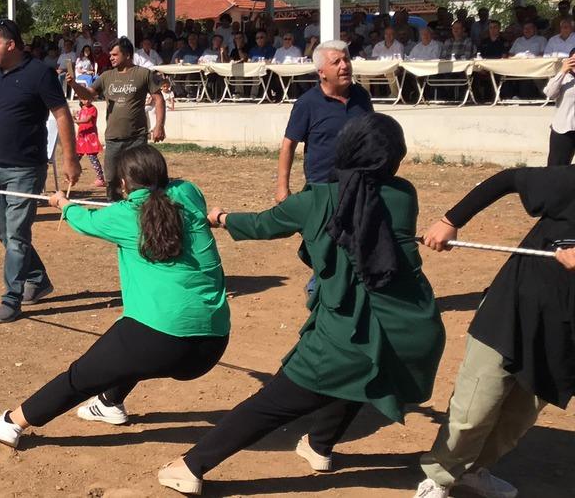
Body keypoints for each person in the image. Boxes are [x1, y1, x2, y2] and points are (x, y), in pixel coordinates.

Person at [158, 113, 445, 495]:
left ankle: (191, 465)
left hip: (345, 334)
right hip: (408, 330)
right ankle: (318, 445)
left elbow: (264, 223)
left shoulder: (316, 201)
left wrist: (222, 217)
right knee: (367, 376)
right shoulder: (404, 195)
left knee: (275, 402)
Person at [0, 145, 229, 446]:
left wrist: (63, 204)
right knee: (131, 342)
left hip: (161, 342)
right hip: (213, 342)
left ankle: (11, 423)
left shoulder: (124, 215)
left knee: (81, 376)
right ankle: (110, 403)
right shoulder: (188, 193)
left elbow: (85, 222)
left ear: (123, 185)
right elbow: (176, 193)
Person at [414, 165, 575, 498]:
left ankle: (471, 472)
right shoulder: (568, 184)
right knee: (474, 409)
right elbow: (510, 179)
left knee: (516, 420)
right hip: (512, 310)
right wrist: (450, 221)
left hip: (564, 334)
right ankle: (440, 478)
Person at [0, 18, 78, 323]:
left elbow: (61, 115)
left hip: (26, 169)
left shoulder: (39, 73)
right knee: (4, 232)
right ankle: (38, 279)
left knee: (17, 235)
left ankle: (12, 297)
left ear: (11, 44)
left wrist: (71, 158)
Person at [68, 37, 165, 201]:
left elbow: (159, 99)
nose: (111, 57)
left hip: (137, 137)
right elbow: (88, 95)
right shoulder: (106, 76)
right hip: (113, 138)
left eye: (115, 54)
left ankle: (139, 209)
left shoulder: (143, 74)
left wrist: (159, 126)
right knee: (111, 179)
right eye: (110, 54)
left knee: (138, 178)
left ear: (127, 55)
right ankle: (114, 209)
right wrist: (75, 86)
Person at [275, 41, 373, 202]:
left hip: (359, 185)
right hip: (322, 188)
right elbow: (288, 145)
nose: (345, 66)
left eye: (346, 59)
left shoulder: (361, 96)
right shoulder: (307, 103)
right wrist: (282, 187)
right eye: (336, 62)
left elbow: (371, 135)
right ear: (322, 72)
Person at [543, 54, 575, 165]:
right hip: (563, 129)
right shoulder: (564, 78)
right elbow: (550, 94)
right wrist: (562, 71)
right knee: (556, 169)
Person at [74, 95, 106, 188]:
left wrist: (76, 121)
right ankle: (72, 175)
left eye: (88, 98)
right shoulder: (82, 109)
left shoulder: (93, 109)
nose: (87, 100)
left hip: (90, 137)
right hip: (82, 137)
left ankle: (101, 179)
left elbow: (87, 120)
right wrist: (76, 118)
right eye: (84, 98)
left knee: (93, 159)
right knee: (76, 158)